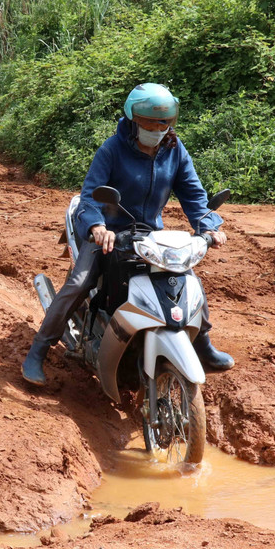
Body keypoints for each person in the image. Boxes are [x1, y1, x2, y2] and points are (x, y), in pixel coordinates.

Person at [21, 83, 234, 386]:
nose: (157, 129)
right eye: (149, 122)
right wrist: (97, 227)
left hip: (149, 235)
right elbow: (90, 195)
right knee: (80, 282)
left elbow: (194, 195)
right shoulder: (112, 149)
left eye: (163, 122)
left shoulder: (175, 150)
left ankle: (204, 346)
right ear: (134, 120)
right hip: (108, 233)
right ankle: (38, 351)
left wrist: (208, 225)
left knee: (185, 278)